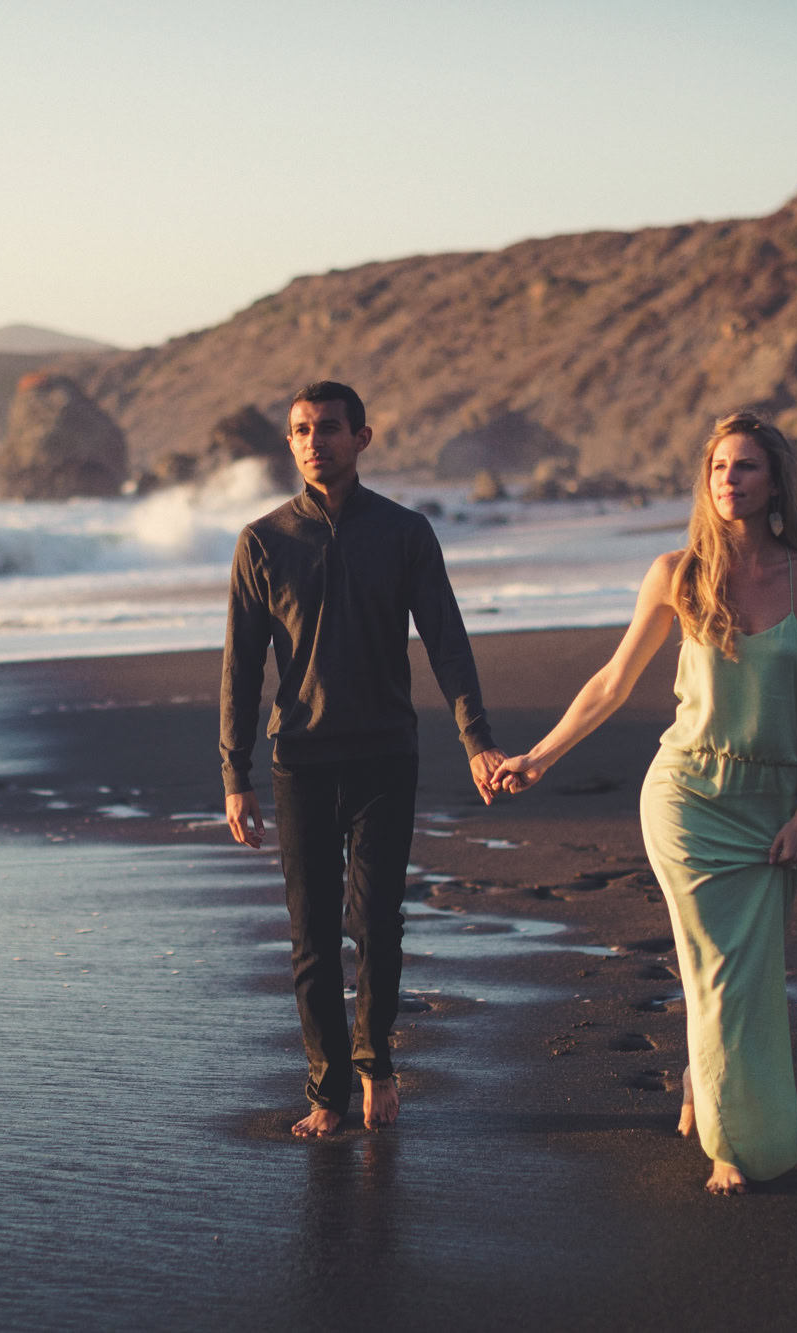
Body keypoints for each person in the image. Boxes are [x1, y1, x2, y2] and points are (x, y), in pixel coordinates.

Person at [494, 411, 797, 1194]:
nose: (729, 480)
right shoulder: (676, 572)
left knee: (748, 973)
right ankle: (732, 1143)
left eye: (746, 467)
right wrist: (538, 758)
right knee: (719, 971)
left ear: (775, 481)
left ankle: (700, 1078)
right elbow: (611, 684)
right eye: (719, 467)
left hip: (771, 803)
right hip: (686, 796)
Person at [222, 381, 506, 1138]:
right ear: (289, 443)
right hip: (301, 762)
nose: (313, 441)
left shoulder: (404, 533)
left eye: (328, 428)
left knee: (375, 923)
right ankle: (326, 1090)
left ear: (362, 437)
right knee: (311, 936)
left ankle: (375, 1060)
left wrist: (475, 738)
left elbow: (446, 638)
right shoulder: (262, 541)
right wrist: (233, 774)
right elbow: (241, 668)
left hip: (385, 754)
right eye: (300, 430)